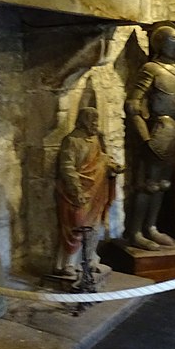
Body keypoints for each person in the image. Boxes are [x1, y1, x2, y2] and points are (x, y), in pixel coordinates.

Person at [123, 21, 175, 251]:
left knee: (163, 183)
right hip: (158, 129)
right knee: (148, 185)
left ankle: (151, 227)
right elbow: (132, 104)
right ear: (162, 44)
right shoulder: (151, 69)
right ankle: (135, 233)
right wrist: (144, 137)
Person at [54, 107, 124, 276]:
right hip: (77, 192)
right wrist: (76, 189)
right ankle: (69, 264)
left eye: (96, 121)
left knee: (94, 227)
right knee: (75, 227)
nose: (95, 125)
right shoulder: (71, 141)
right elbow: (67, 167)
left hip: (96, 190)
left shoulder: (94, 140)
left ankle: (90, 259)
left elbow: (102, 158)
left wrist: (113, 166)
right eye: (92, 121)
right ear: (84, 121)